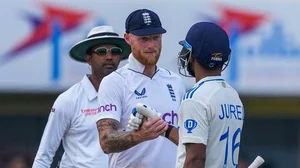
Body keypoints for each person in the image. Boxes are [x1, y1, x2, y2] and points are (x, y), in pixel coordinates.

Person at [96, 9, 186, 168]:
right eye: (143, 39)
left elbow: (183, 138)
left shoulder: (176, 81)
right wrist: (139, 136)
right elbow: (106, 142)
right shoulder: (114, 82)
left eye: (156, 38)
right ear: (127, 38)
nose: (151, 45)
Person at [32, 26, 131, 168]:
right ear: (88, 58)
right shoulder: (68, 100)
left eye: (115, 51)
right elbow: (44, 156)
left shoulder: (129, 96)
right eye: (101, 51)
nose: (109, 57)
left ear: (120, 56)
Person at [175, 22, 244, 168]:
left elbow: (195, 160)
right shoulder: (233, 96)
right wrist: (165, 130)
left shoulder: (196, 98)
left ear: (192, 56)